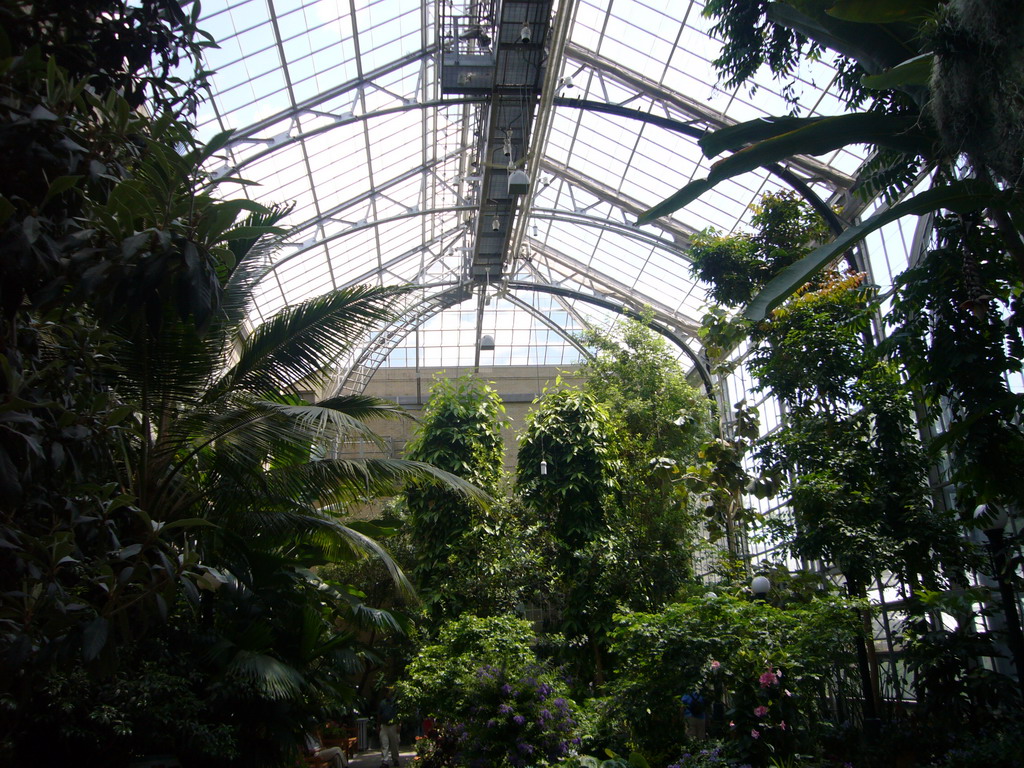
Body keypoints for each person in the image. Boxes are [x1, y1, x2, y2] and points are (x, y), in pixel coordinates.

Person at [377, 687, 401, 767]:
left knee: (394, 744)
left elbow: (399, 715)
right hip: (384, 726)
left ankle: (395, 759)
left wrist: (399, 725)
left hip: (393, 725)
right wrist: (378, 725)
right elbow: (379, 715)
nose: (388, 694)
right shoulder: (382, 703)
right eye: (387, 692)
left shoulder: (396, 703)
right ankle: (385, 761)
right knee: (384, 744)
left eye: (390, 692)